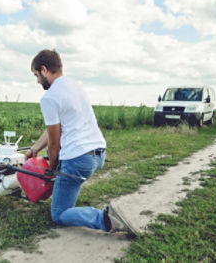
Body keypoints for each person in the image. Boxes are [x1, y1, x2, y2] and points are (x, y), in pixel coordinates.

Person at [26, 49, 138, 236]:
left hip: (78, 160)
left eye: (36, 75)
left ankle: (106, 218)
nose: (37, 81)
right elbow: (55, 128)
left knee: (59, 213)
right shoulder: (76, 87)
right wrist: (36, 147)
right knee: (66, 185)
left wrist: (51, 170)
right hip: (98, 153)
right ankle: (70, 194)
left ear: (44, 70)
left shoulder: (50, 97)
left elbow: (55, 144)